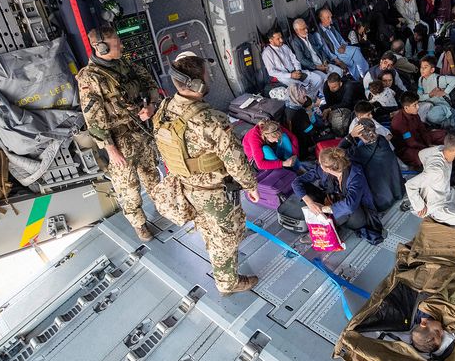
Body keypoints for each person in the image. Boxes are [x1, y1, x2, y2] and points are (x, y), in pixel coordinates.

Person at [152, 52, 260, 294]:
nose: (210, 79)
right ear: (197, 84)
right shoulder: (211, 120)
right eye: (207, 76)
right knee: (225, 236)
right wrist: (250, 186)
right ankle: (227, 282)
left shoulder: (164, 108)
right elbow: (235, 161)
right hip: (213, 193)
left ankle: (215, 249)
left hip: (184, 186)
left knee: (209, 227)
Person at [76, 24, 162, 241]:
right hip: (118, 141)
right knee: (128, 188)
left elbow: (150, 83)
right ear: (101, 49)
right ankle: (139, 225)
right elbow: (93, 118)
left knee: (151, 173)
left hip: (141, 131)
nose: (122, 46)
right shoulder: (90, 78)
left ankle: (164, 206)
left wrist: (151, 105)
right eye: (116, 44)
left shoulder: (124, 64)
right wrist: (110, 149)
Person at [293, 147, 384, 244]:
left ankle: (325, 228)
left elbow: (350, 205)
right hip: (334, 200)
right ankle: (329, 223)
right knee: (305, 188)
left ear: (327, 168)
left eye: (320, 163)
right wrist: (310, 203)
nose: (318, 164)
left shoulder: (355, 176)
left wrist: (323, 209)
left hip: (357, 214)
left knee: (349, 207)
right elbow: (296, 182)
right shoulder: (322, 169)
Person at [339, 119, 404, 212]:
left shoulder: (360, 152)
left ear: (360, 134)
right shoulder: (382, 139)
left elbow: (338, 152)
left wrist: (350, 136)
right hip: (398, 191)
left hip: (382, 202)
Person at [390, 92, 447, 170]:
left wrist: (429, 143)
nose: (418, 107)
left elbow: (422, 130)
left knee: (443, 134)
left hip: (419, 140)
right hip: (407, 148)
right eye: (415, 105)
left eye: (418, 104)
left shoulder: (414, 113)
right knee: (424, 157)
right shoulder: (399, 122)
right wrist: (428, 148)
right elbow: (411, 142)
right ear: (406, 108)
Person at [261, 30, 324, 97]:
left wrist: (298, 70)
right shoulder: (267, 53)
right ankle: (310, 98)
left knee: (318, 79)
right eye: (278, 39)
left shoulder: (284, 46)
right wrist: (290, 75)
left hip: (296, 72)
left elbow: (295, 60)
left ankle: (311, 97)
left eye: (281, 37)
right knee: (301, 89)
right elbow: (271, 72)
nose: (281, 40)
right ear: (271, 40)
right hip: (284, 77)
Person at [314, 8, 370, 80]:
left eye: (331, 17)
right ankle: (363, 76)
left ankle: (365, 75)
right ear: (321, 18)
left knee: (356, 52)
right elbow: (326, 50)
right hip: (336, 54)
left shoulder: (332, 28)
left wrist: (343, 46)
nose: (331, 20)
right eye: (328, 17)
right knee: (353, 60)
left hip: (343, 49)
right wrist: (338, 61)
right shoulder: (318, 33)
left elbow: (342, 40)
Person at [284, 83, 323, 158]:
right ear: (296, 97)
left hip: (292, 139)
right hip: (301, 143)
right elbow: (310, 130)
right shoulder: (299, 112)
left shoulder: (287, 106)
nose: (305, 99)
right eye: (304, 97)